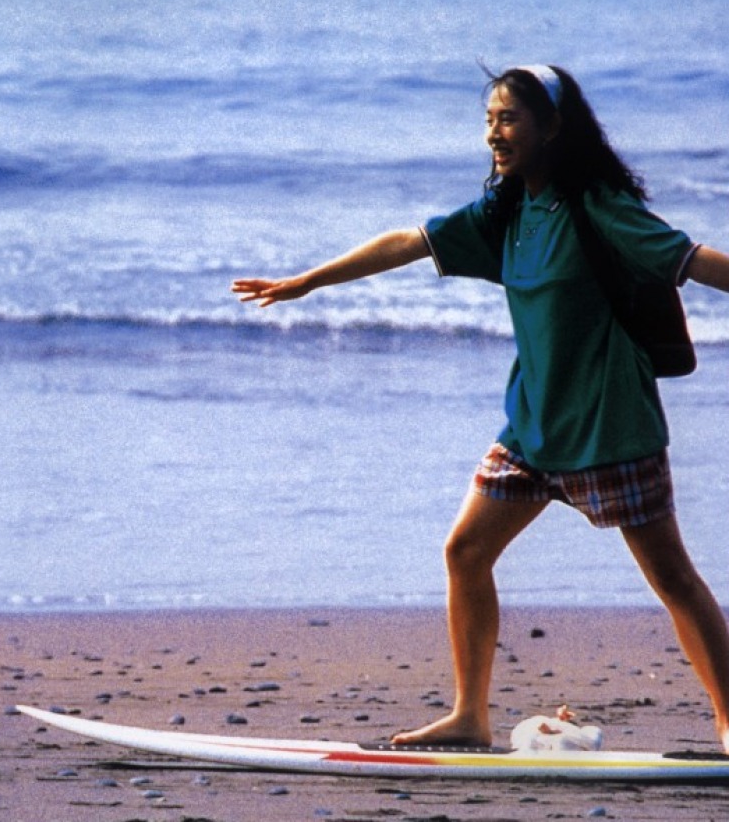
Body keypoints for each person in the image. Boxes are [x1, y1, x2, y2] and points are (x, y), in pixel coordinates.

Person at [233, 64, 729, 752]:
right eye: (489, 119)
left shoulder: (599, 207)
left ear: (552, 127)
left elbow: (696, 261)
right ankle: (470, 715)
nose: (494, 132)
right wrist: (308, 281)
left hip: (609, 427)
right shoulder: (507, 214)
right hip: (530, 428)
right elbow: (409, 241)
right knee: (466, 551)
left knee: (672, 576)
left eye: (509, 119)